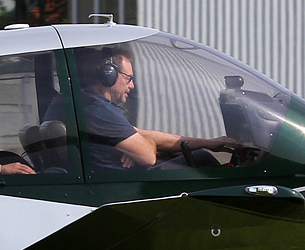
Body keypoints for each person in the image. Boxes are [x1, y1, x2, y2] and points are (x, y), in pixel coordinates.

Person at [77, 47, 235, 171]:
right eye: (129, 78)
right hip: (127, 185)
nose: (131, 85)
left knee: (194, 152)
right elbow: (148, 157)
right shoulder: (99, 111)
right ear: (108, 75)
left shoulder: (87, 103)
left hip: (116, 178)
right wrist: (139, 148)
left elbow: (140, 134)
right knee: (201, 159)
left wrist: (206, 142)